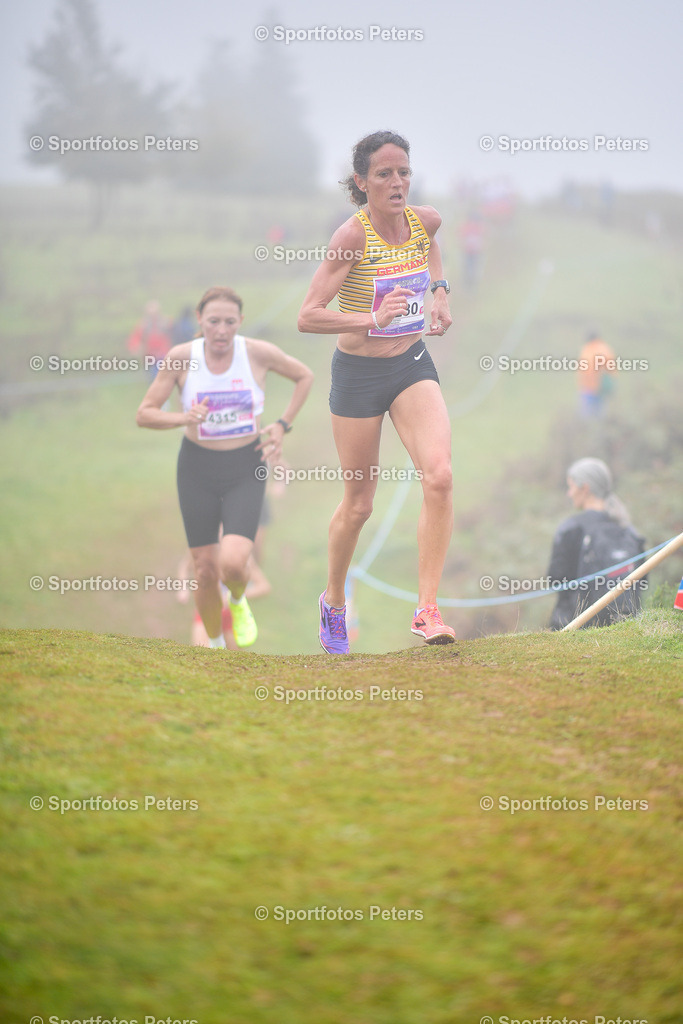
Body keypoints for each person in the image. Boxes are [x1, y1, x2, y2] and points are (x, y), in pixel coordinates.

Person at [298, 130, 455, 653]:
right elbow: (308, 316)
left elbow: (431, 247)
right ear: (362, 182)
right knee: (359, 506)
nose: (397, 182)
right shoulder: (352, 237)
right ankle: (335, 601)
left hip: (410, 362)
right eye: (384, 174)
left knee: (439, 476)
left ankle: (427, 609)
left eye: (404, 172)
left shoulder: (424, 220)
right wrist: (370, 316)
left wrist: (439, 292)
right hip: (359, 375)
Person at [136, 286, 314, 649]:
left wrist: (282, 425)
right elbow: (145, 413)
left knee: (233, 564)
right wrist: (183, 417)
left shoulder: (257, 353)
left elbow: (304, 376)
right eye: (213, 321)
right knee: (204, 568)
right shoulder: (181, 357)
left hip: (246, 466)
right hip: (196, 468)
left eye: (229, 322)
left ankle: (237, 600)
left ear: (240, 322)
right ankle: (215, 648)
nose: (221, 330)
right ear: (200, 320)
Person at [547, 458, 646, 630]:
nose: (569, 494)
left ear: (584, 488)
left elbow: (555, 579)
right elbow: (643, 580)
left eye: (570, 487)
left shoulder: (571, 529)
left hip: (575, 628)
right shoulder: (630, 532)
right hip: (624, 630)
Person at [578, 331, 617, 418]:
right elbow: (612, 369)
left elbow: (584, 370)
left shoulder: (587, 349)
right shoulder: (605, 348)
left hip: (588, 388)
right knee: (601, 415)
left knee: (586, 416)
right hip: (602, 388)